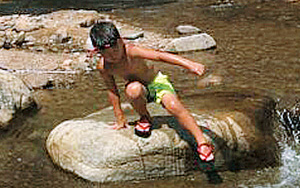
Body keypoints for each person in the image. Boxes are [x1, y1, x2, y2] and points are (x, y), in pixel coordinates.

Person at [89, 20, 215, 167]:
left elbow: (160, 56)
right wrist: (119, 117)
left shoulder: (132, 51)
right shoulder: (104, 67)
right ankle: (144, 116)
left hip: (156, 83)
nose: (114, 57)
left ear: (121, 41)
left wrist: (190, 64)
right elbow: (112, 90)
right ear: (97, 51)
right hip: (138, 89)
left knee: (174, 106)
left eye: (115, 50)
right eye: (107, 54)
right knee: (133, 90)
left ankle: (202, 142)